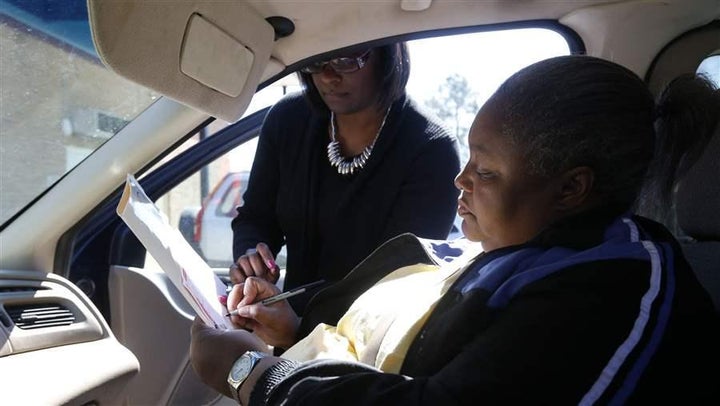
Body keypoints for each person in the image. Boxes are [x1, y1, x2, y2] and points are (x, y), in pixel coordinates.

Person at [191, 55, 720, 405]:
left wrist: (253, 376)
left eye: (485, 171)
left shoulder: (614, 289)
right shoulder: (507, 252)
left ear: (570, 189)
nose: (460, 179)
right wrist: (294, 329)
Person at [230, 42, 461, 314]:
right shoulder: (287, 121)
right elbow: (256, 218)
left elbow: (397, 280)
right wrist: (252, 259)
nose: (328, 75)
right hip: (286, 334)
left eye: (346, 59)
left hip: (365, 344)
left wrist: (289, 316)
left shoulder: (431, 149)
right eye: (315, 61)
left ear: (387, 55)